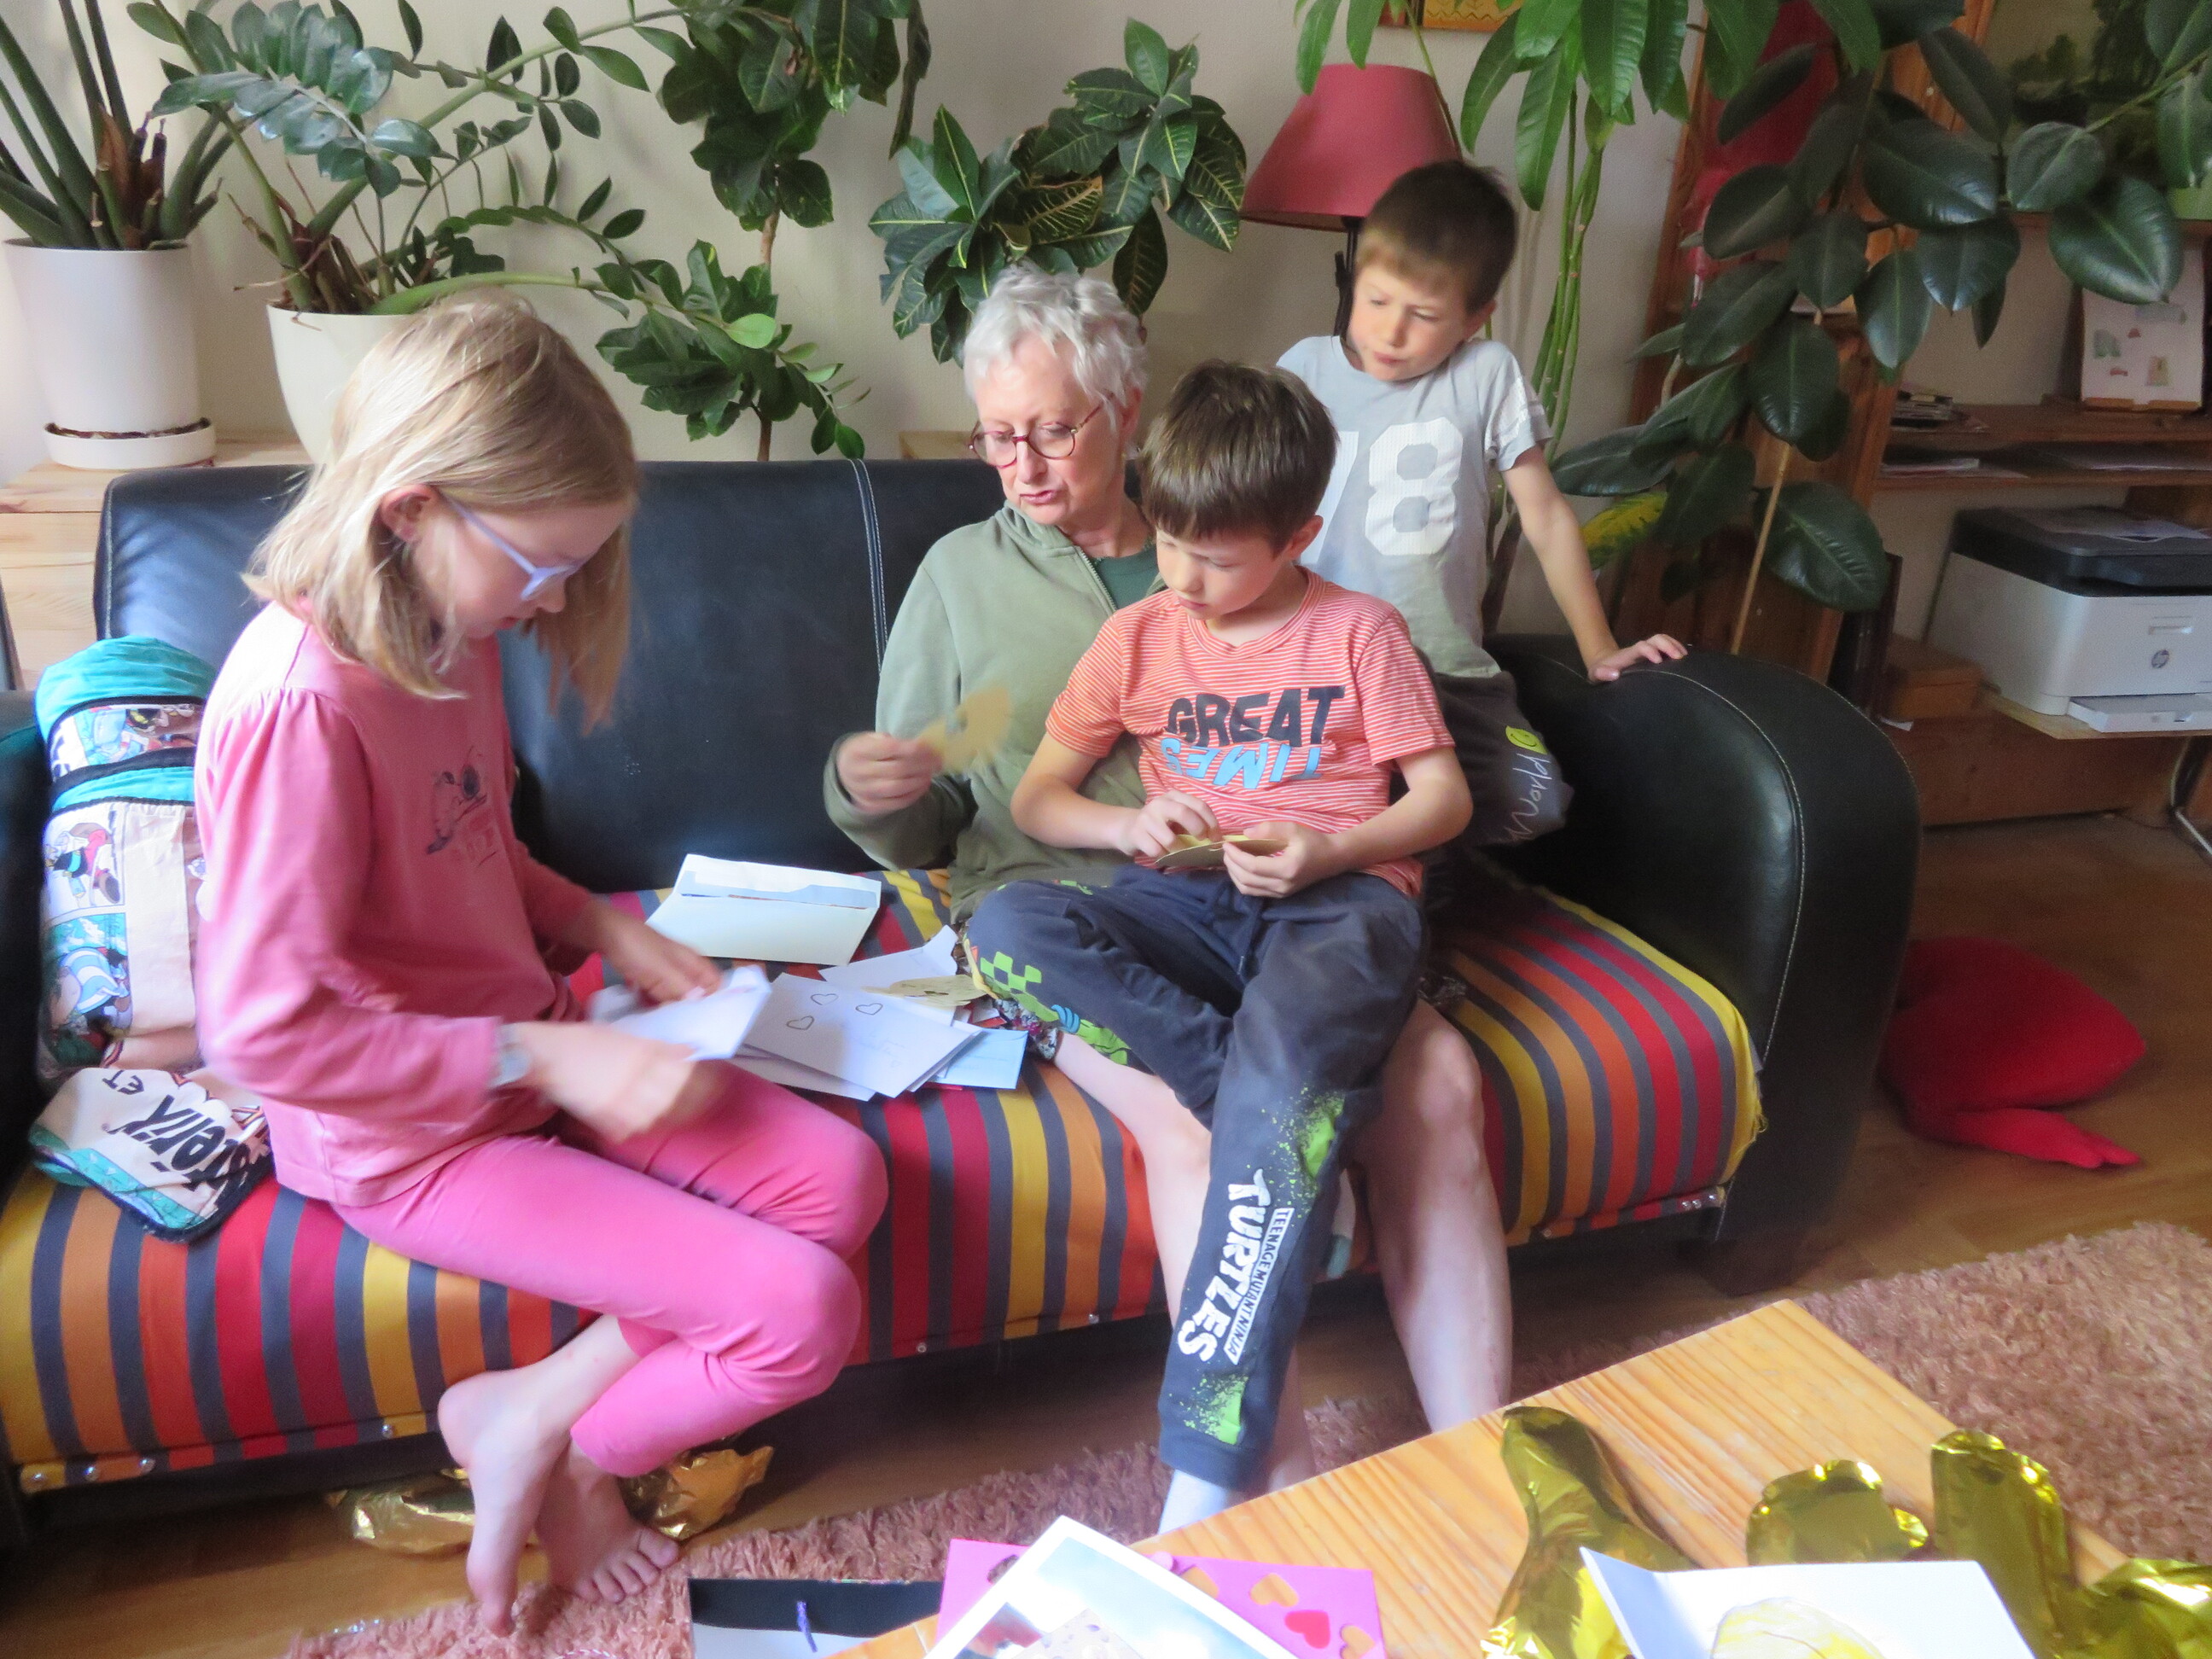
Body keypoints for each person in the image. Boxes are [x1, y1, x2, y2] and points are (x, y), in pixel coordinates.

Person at [194, 299, 887, 1634]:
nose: (557, 598)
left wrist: (604, 927)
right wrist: (547, 1052)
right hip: (412, 1139)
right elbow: (264, 1034)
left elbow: (471, 846)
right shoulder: (299, 707)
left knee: (840, 1178)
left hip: (531, 1047)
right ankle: (582, 1464)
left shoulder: (449, 633)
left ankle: (530, 1416)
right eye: (540, 563)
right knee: (801, 1316)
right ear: (411, 509)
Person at [824, 269, 1512, 1498]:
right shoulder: (964, 579)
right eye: (996, 437)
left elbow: (1406, 761)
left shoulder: (1233, 523)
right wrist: (868, 791)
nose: (1023, 465)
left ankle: (1487, 1468)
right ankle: (1257, 1484)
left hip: (1291, 897)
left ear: (1125, 411)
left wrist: (1337, 846)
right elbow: (939, 810)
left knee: (1444, 1084)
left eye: (1052, 430)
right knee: (1217, 1126)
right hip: (1094, 906)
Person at [969, 362, 1468, 1527]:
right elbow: (1040, 800)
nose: (1184, 579)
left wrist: (1331, 850)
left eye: (1218, 559)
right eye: (1170, 545)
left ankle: (1204, 1471)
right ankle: (1273, 1126)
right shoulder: (1140, 635)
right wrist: (1127, 823)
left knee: (1288, 1084)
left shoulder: (1362, 633)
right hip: (1187, 903)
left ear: (1299, 538)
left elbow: (1443, 800)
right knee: (1006, 928)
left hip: (1339, 907)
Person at [1278, 160, 1685, 848]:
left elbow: (1546, 518)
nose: (1390, 332)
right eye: (1375, 301)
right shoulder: (1304, 369)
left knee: (1533, 802)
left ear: (1474, 320)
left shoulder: (1485, 375)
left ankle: (1392, 844)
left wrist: (1600, 648)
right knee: (1324, 791)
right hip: (1310, 668)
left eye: (1424, 316)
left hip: (1444, 673)